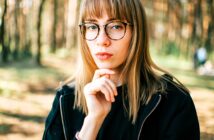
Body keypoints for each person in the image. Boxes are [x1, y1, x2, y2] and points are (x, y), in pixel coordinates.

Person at [42, 0, 200, 139]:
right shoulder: (66, 99)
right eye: (91, 26)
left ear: (136, 32)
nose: (102, 40)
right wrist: (92, 122)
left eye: (116, 26)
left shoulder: (173, 101)